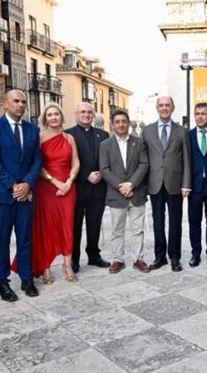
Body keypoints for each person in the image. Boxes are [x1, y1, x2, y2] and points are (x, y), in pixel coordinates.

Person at [0, 89, 42, 301]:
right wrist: (14, 185)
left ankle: (27, 278)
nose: (20, 105)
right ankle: (2, 281)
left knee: (25, 239)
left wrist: (27, 184)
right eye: (16, 101)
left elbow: (37, 160)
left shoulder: (32, 129)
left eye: (23, 102)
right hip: (2, 195)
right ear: (6, 104)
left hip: (26, 195)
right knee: (2, 240)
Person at [24, 103, 79, 283]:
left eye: (56, 114)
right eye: (50, 115)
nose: (54, 117)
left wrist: (69, 182)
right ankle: (46, 267)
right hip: (47, 187)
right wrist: (56, 182)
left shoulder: (69, 138)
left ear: (61, 117)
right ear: (45, 119)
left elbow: (76, 163)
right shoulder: (38, 137)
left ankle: (67, 265)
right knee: (47, 227)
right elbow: (37, 165)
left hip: (68, 188)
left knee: (67, 225)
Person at [142, 96, 191, 271]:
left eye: (167, 105)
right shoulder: (147, 131)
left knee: (175, 222)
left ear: (173, 108)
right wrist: (142, 184)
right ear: (157, 108)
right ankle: (160, 256)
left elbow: (187, 159)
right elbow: (143, 159)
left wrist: (186, 184)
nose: (164, 108)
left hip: (175, 183)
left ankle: (175, 256)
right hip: (154, 183)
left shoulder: (182, 131)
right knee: (158, 222)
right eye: (161, 105)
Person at [99, 109, 150, 273]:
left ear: (128, 123)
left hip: (136, 193)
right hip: (116, 194)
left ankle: (138, 259)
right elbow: (104, 169)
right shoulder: (105, 145)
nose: (121, 124)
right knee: (117, 230)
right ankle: (118, 259)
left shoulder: (139, 142)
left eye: (124, 121)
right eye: (117, 122)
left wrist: (131, 184)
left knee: (137, 230)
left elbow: (144, 164)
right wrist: (122, 186)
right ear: (112, 125)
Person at [65, 102, 110, 273]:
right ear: (76, 114)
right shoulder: (68, 134)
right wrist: (86, 174)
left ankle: (94, 255)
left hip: (98, 186)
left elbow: (108, 158)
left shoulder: (103, 135)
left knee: (95, 223)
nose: (86, 115)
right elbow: (67, 161)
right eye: (83, 112)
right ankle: (74, 258)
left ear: (94, 115)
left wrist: (101, 173)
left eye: (90, 112)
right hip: (77, 187)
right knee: (75, 224)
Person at [187, 102, 207, 267]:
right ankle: (195, 253)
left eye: (203, 113)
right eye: (197, 114)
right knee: (194, 222)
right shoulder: (188, 136)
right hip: (195, 186)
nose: (200, 117)